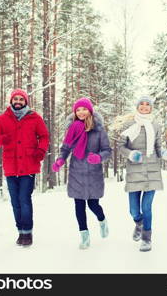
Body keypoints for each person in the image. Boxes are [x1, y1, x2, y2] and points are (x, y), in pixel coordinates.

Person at [0, 88, 49, 247]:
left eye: (21, 99)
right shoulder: (2, 119)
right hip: (11, 166)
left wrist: (41, 150)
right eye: (15, 99)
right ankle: (20, 231)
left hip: (29, 165)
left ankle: (27, 233)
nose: (18, 102)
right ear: (11, 101)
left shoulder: (34, 118)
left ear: (25, 102)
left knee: (24, 199)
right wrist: (3, 138)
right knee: (15, 201)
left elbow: (44, 136)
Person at [51, 97, 112, 250]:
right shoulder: (72, 128)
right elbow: (65, 148)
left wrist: (98, 157)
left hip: (93, 174)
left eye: (84, 109)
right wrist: (60, 161)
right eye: (78, 110)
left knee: (93, 205)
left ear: (90, 110)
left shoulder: (98, 130)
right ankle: (84, 236)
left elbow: (107, 150)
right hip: (76, 173)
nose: (81, 112)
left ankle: (102, 220)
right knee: (79, 206)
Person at [115, 96, 167, 252]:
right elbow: (121, 146)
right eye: (142, 104)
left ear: (151, 108)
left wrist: (164, 153)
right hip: (134, 170)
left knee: (147, 207)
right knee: (133, 210)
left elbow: (158, 146)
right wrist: (131, 154)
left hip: (152, 171)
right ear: (137, 106)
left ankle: (147, 238)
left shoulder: (155, 125)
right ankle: (138, 222)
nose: (145, 107)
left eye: (148, 105)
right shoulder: (129, 125)